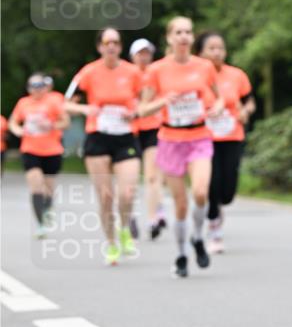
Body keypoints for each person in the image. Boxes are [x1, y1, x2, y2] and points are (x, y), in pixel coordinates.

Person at [140, 16, 222, 278]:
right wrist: (164, 101)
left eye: (188, 32)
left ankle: (198, 237)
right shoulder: (157, 70)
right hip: (170, 140)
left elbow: (219, 100)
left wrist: (217, 110)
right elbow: (142, 109)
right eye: (179, 32)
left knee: (200, 192)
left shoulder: (205, 66)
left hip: (199, 137)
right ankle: (181, 254)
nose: (184, 37)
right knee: (181, 204)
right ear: (169, 38)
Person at [65, 27, 142, 265]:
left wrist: (135, 111)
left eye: (116, 42)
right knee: (106, 196)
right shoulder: (88, 72)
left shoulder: (133, 72)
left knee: (127, 193)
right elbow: (67, 104)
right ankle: (111, 243)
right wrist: (85, 109)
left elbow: (145, 99)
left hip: (125, 136)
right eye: (107, 42)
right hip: (97, 137)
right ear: (99, 47)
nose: (112, 46)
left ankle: (125, 229)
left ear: (120, 47)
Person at [193, 31, 255, 253]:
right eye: (212, 48)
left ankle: (218, 207)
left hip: (232, 135)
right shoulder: (195, 76)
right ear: (200, 53)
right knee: (212, 182)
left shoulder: (236, 75)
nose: (217, 52)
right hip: (203, 138)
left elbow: (249, 102)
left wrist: (245, 112)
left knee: (227, 189)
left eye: (220, 48)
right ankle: (214, 229)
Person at [8, 73, 69, 237]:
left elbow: (66, 122)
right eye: (33, 86)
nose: (37, 89)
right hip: (30, 149)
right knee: (35, 186)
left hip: (52, 150)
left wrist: (51, 124)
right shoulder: (23, 103)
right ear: (28, 88)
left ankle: (48, 209)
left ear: (45, 87)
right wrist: (18, 130)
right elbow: (13, 122)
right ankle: (40, 224)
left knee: (48, 188)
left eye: (40, 85)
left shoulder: (54, 101)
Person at [129, 38, 167, 239]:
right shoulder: (126, 74)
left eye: (147, 53)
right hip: (131, 131)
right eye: (140, 53)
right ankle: (130, 215)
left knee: (152, 176)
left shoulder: (156, 74)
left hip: (152, 128)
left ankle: (153, 218)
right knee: (132, 179)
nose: (144, 57)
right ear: (132, 56)